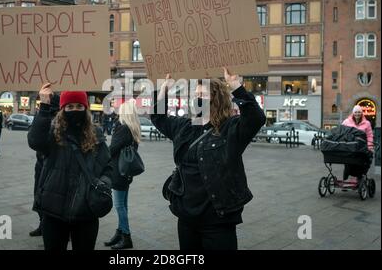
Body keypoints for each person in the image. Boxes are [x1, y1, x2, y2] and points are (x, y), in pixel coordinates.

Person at [150, 69, 266, 250]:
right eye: (196, 94)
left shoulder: (231, 128)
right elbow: (158, 117)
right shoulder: (185, 127)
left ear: (216, 99)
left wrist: (235, 86)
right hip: (187, 218)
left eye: (202, 94)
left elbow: (256, 118)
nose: (197, 98)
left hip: (218, 220)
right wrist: (164, 90)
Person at [28, 83, 112, 250]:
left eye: (79, 106)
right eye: (70, 106)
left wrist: (103, 183)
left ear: (85, 109)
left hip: (86, 211)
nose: (75, 110)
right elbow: (35, 141)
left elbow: (108, 166)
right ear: (62, 109)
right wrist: (44, 106)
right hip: (54, 211)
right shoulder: (53, 132)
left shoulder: (96, 134)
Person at [104, 100, 141, 250]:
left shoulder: (123, 128)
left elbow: (112, 149)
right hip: (125, 172)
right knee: (123, 204)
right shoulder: (132, 128)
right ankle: (120, 232)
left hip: (118, 172)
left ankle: (126, 236)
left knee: (119, 206)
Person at [29, 94, 60, 237]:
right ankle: (43, 224)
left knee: (50, 196)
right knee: (39, 194)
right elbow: (33, 138)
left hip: (52, 164)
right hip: (40, 162)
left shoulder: (57, 120)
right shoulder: (42, 115)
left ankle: (51, 226)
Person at [342, 105, 374, 181]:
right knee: (348, 162)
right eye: (356, 112)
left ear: (362, 113)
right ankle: (345, 179)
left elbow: (369, 136)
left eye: (359, 112)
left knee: (361, 162)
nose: (357, 114)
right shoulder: (347, 122)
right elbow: (341, 132)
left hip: (361, 147)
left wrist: (370, 147)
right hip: (349, 147)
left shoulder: (367, 123)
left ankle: (359, 177)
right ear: (353, 113)